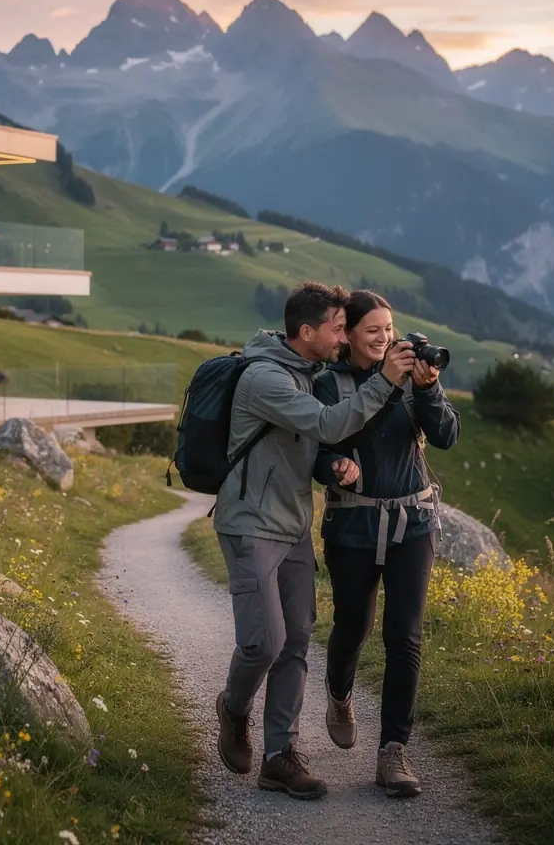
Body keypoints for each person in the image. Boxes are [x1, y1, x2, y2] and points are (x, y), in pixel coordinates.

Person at [212, 282, 417, 800]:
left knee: (297, 643)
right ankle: (233, 710)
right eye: (337, 326)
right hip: (251, 525)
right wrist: (387, 381)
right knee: (265, 641)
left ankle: (280, 756)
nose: (345, 334)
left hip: (295, 527)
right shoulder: (266, 379)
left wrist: (336, 467)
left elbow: (319, 449)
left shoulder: (308, 374)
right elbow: (330, 424)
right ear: (307, 332)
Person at [313, 290, 460, 798]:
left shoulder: (410, 377)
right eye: (372, 330)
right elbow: (319, 446)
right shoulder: (329, 384)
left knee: (405, 636)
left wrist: (430, 390)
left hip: (413, 523)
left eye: (389, 328)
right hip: (352, 526)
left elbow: (445, 436)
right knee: (353, 626)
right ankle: (339, 693)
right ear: (348, 333)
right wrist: (333, 466)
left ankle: (393, 751)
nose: (384, 338)